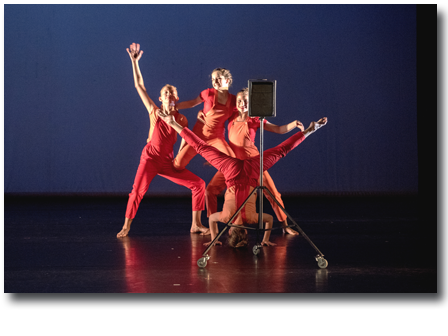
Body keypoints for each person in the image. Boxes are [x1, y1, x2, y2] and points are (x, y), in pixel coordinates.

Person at [157, 108, 328, 248]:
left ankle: (309, 130)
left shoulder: (251, 220)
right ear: (230, 231)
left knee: (282, 151)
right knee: (202, 147)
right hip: (232, 171)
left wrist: (264, 240)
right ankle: (174, 124)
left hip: (251, 172)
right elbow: (211, 219)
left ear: (245, 232)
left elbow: (268, 220)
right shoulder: (225, 218)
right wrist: (215, 238)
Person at [116, 43, 208, 238]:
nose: (169, 95)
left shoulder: (181, 118)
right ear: (160, 98)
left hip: (167, 162)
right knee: (137, 191)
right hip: (149, 158)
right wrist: (134, 63)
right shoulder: (154, 111)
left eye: (172, 93)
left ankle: (196, 224)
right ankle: (126, 226)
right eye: (166, 93)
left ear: (176, 98)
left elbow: (185, 140)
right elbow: (139, 85)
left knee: (199, 184)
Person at [208, 87, 305, 235]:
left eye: (245, 101)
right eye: (239, 100)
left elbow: (278, 129)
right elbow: (213, 116)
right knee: (210, 190)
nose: (242, 103)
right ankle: (212, 227)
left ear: (251, 103)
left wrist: (293, 124)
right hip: (233, 166)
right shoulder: (230, 116)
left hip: (254, 164)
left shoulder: (254, 119)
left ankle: (285, 225)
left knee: (273, 193)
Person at [173, 68, 238, 219]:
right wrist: (173, 107)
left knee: (232, 165)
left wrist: (215, 157)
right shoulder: (208, 93)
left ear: (227, 81)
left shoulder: (234, 101)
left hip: (217, 139)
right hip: (198, 136)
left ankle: (216, 217)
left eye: (218, 78)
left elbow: (236, 122)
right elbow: (192, 103)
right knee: (177, 166)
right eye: (213, 79)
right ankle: (184, 139)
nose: (214, 82)